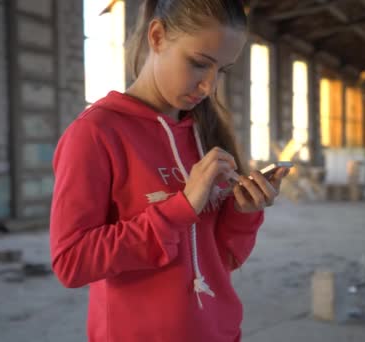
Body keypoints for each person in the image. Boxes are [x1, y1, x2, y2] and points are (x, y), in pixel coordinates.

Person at [50, 0, 290, 340]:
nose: (209, 86)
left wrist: (243, 213)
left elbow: (222, 260)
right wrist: (180, 209)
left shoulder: (205, 134)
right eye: (198, 63)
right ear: (158, 36)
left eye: (221, 70)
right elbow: (71, 263)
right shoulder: (96, 133)